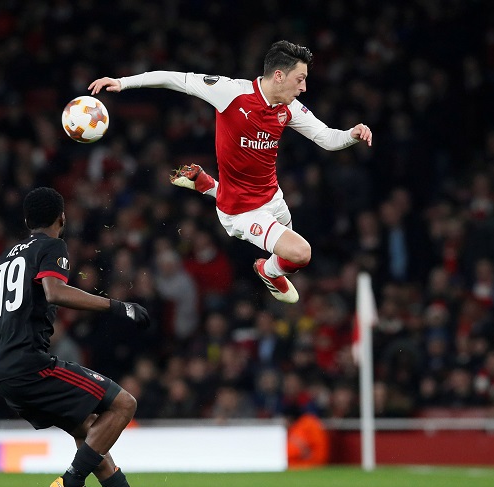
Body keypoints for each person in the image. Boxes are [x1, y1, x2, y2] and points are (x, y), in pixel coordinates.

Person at [89, 40, 373, 304]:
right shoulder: (231, 92)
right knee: (301, 253)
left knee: (289, 256)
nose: (304, 88)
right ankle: (268, 272)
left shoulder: (289, 109)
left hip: (273, 197)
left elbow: (326, 138)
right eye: (300, 79)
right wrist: (122, 83)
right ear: (278, 76)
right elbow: (174, 78)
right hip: (241, 212)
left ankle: (208, 185)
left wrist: (352, 133)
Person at [0, 187, 174, 487]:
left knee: (88, 428)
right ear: (61, 218)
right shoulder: (52, 247)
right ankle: (71, 483)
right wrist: (117, 306)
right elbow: (54, 291)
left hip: (2, 369)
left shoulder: (2, 260)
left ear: (26, 220)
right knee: (124, 404)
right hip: (30, 363)